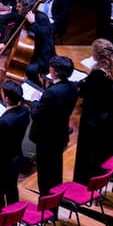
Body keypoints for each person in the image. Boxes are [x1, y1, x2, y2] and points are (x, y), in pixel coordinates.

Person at [28, 56, 79, 196]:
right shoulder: (73, 87)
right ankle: (54, 201)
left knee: (45, 175)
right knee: (56, 170)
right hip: (60, 133)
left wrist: (34, 101)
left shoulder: (52, 92)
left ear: (55, 72)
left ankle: (46, 202)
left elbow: (36, 114)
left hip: (46, 138)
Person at [73, 39, 113, 185]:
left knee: (87, 150)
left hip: (92, 117)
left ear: (98, 54)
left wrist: (81, 86)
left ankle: (83, 181)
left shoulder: (98, 73)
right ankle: (96, 177)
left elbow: (87, 93)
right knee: (97, 149)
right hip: (104, 114)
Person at [0, 80, 30, 217]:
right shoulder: (24, 111)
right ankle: (13, 218)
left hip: (1, 161)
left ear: (6, 98)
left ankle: (0, 218)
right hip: (15, 156)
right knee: (11, 189)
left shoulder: (5, 121)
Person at [0, 0, 56, 86]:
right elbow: (14, 31)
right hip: (29, 52)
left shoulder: (42, 18)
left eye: (19, 6)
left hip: (43, 54)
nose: (16, 8)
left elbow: (45, 37)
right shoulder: (21, 16)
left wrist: (33, 23)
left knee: (29, 70)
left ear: (27, 7)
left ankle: (38, 87)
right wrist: (3, 43)